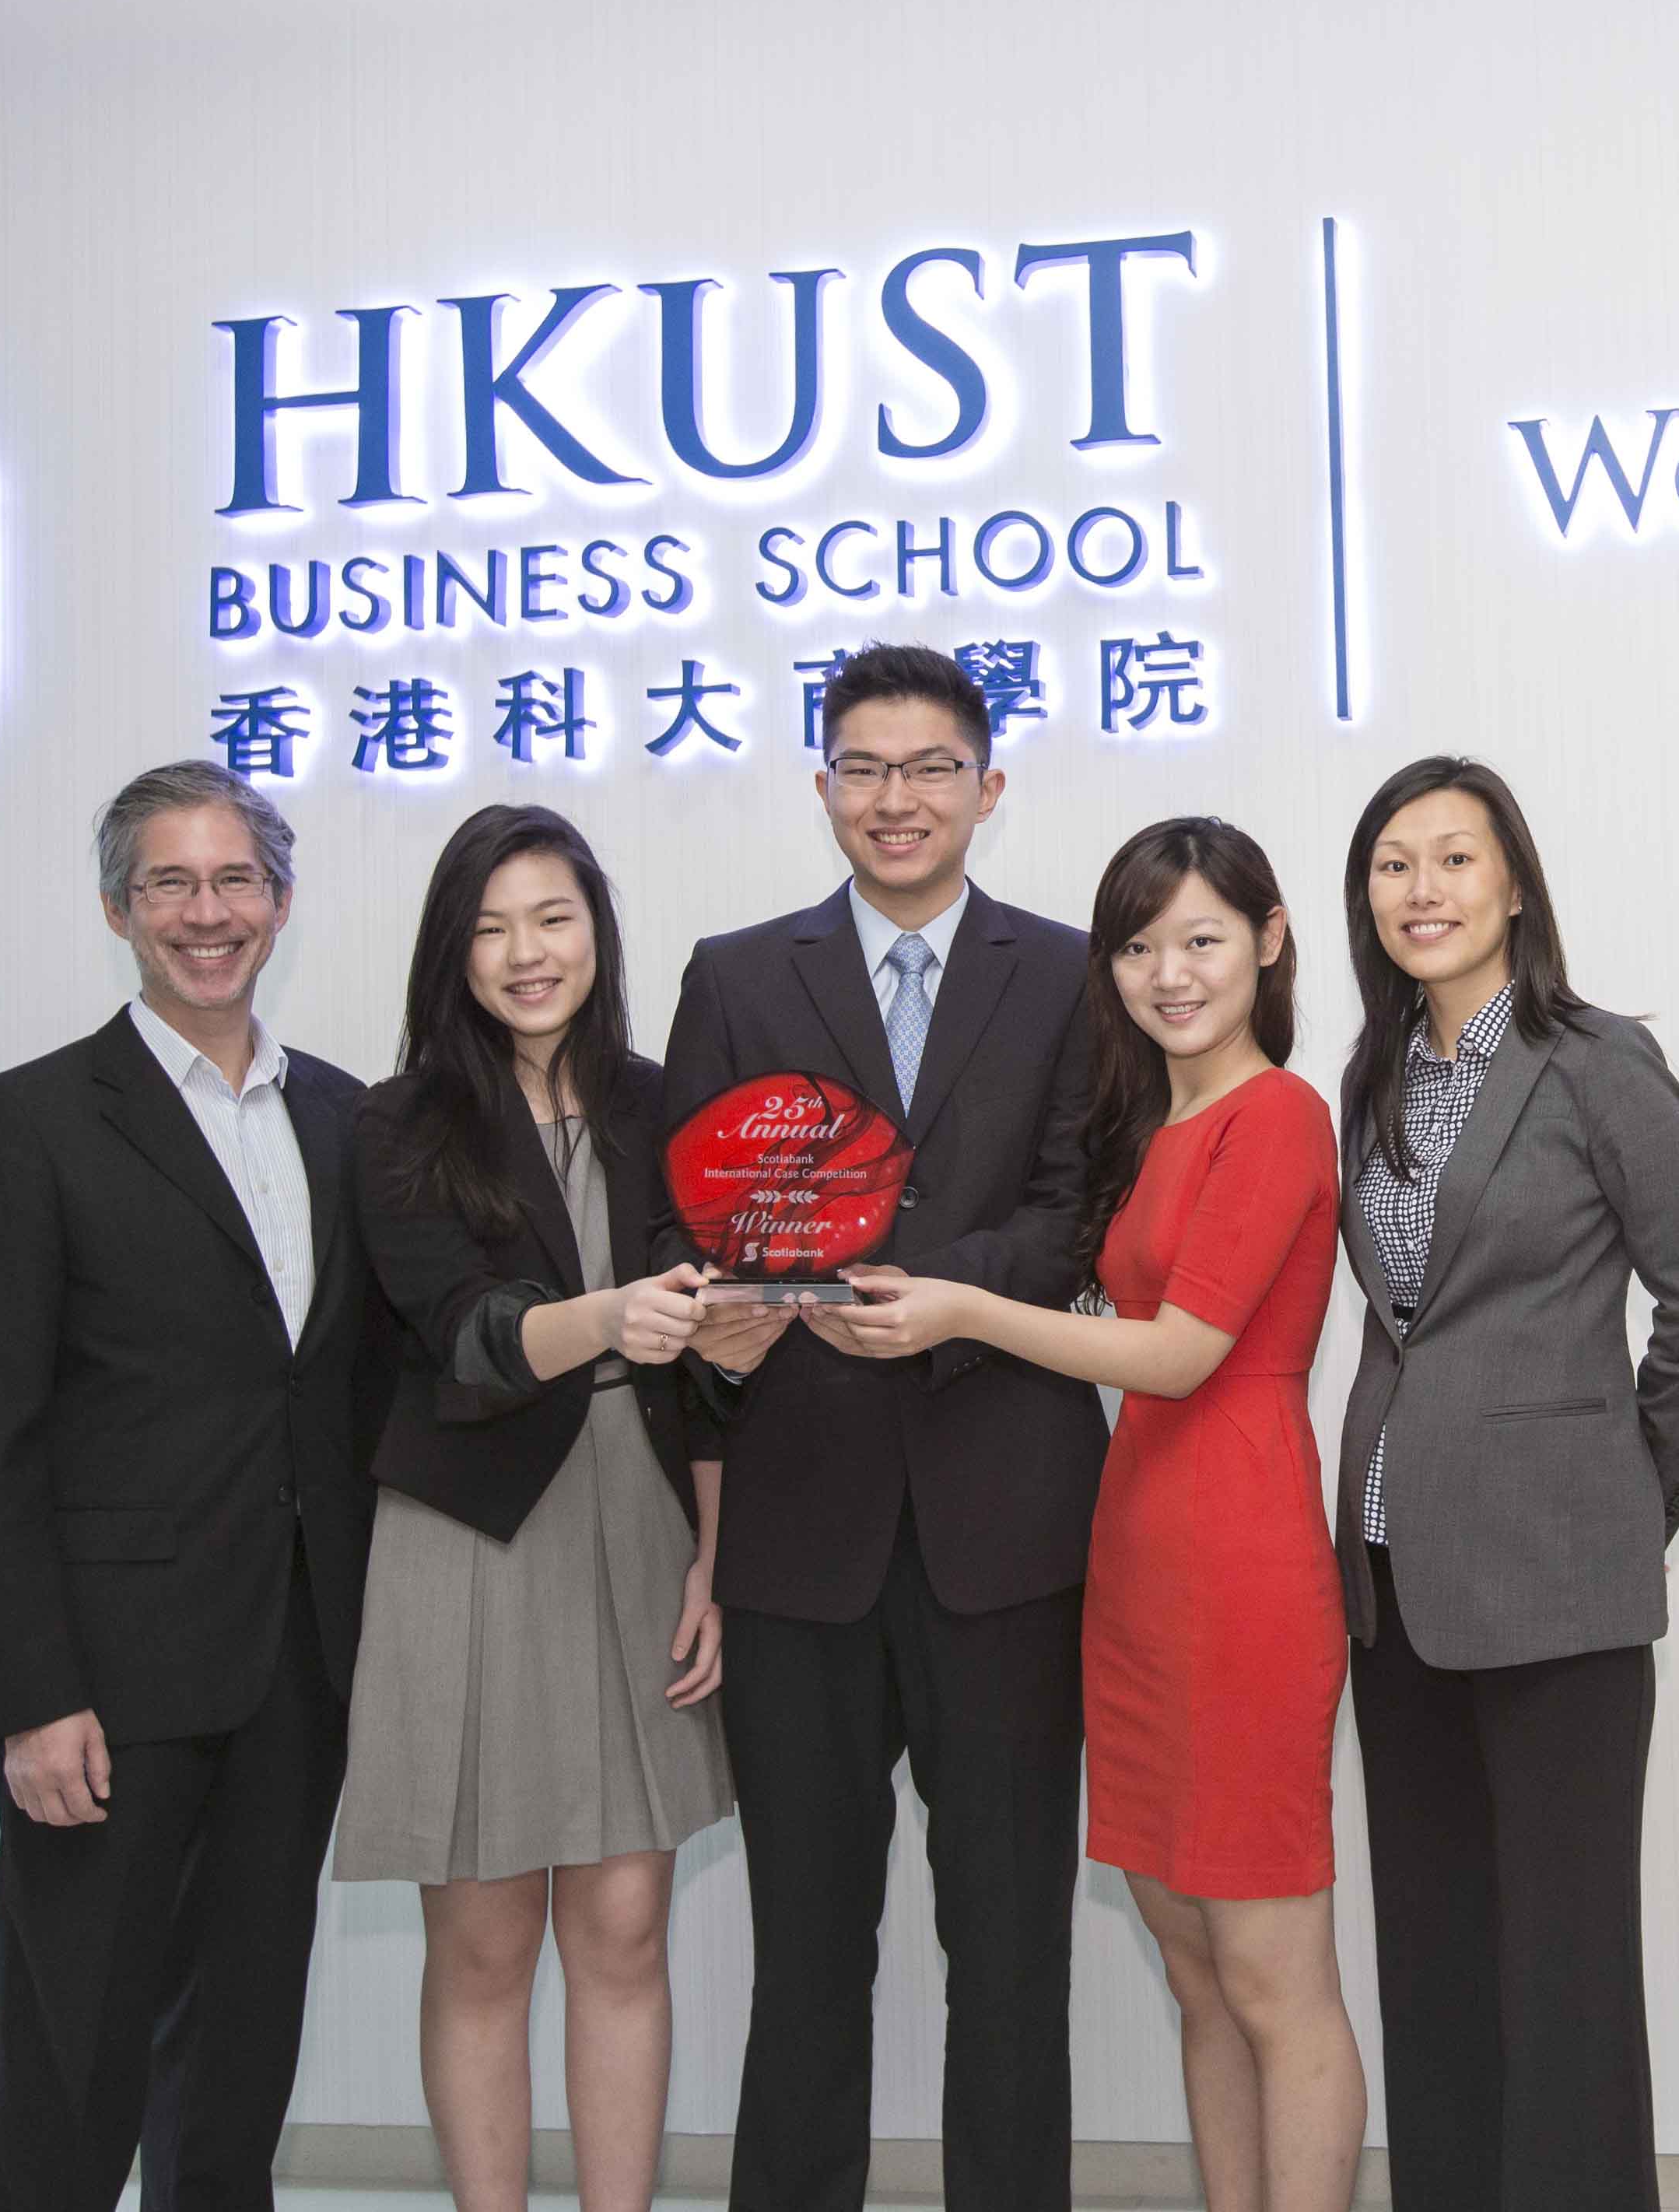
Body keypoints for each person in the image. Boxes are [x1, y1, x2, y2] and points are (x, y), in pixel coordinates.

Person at [825, 819, 1363, 2212]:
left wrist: (959, 1308)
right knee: (1191, 1957)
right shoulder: (1153, 1122)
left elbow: (1182, 1353)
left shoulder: (1279, 1114)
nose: (1168, 973)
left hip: (1241, 1564)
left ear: (1271, 936)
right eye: (1137, 945)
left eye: (1201, 939)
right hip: (1133, 1565)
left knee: (1271, 1970)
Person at [654, 643, 1110, 2212]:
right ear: (823, 781)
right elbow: (699, 1219)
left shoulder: (1067, 973)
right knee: (806, 1951)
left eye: (929, 768)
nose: (895, 797)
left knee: (1011, 1949)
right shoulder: (734, 973)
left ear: (988, 786)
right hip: (803, 1531)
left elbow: (1076, 1212)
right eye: (863, 765)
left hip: (1010, 1527)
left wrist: (931, 1287)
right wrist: (722, 1308)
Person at [0, 761, 390, 2211]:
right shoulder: (26, 1122)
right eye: (172, 883)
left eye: (236, 879)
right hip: (107, 1691)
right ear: (119, 908)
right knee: (75, 2061)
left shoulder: (346, 1118)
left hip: (299, 1668)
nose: (209, 912)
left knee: (242, 2059)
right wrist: (28, 1692)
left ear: (282, 901)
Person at [1328, 756, 1679, 2212]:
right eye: (1395, 863)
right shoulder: (1372, 1071)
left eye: (1455, 858)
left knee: (1563, 1970)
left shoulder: (1594, 1061)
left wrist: (1630, 1495)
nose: (1423, 889)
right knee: (1433, 1957)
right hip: (1391, 1576)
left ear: (1514, 882)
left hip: (1557, 1583)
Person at [339, 803, 773, 2212]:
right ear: (449, 954)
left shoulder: (664, 1106)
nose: (527, 953)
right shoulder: (398, 1124)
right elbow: (461, 1339)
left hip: (639, 1523)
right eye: (490, 927)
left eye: (554, 917)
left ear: (598, 927)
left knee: (625, 1923)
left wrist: (711, 1555)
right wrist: (611, 1314)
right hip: (469, 1534)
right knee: (477, 1940)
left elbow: (708, 1377)